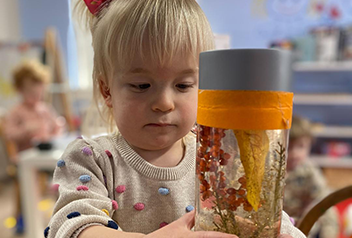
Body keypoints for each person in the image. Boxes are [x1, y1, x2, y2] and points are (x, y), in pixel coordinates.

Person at [46, 1, 305, 237]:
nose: (164, 103)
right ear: (107, 90)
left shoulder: (213, 158)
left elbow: (269, 218)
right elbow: (73, 227)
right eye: (142, 85)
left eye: (182, 85)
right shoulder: (92, 160)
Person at [4, 59, 64, 234]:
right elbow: (9, 134)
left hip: (46, 158)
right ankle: (23, 216)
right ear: (19, 90)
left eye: (39, 90)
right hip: (23, 159)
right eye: (30, 91)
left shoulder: (45, 109)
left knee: (63, 175)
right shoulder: (17, 111)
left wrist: (57, 129)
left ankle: (60, 210)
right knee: (26, 183)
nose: (36, 94)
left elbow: (58, 125)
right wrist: (24, 130)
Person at [284, 116, 340, 238]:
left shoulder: (310, 172)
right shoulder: (270, 172)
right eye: (288, 147)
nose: (294, 153)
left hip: (304, 227)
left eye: (301, 146)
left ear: (310, 145)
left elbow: (324, 203)